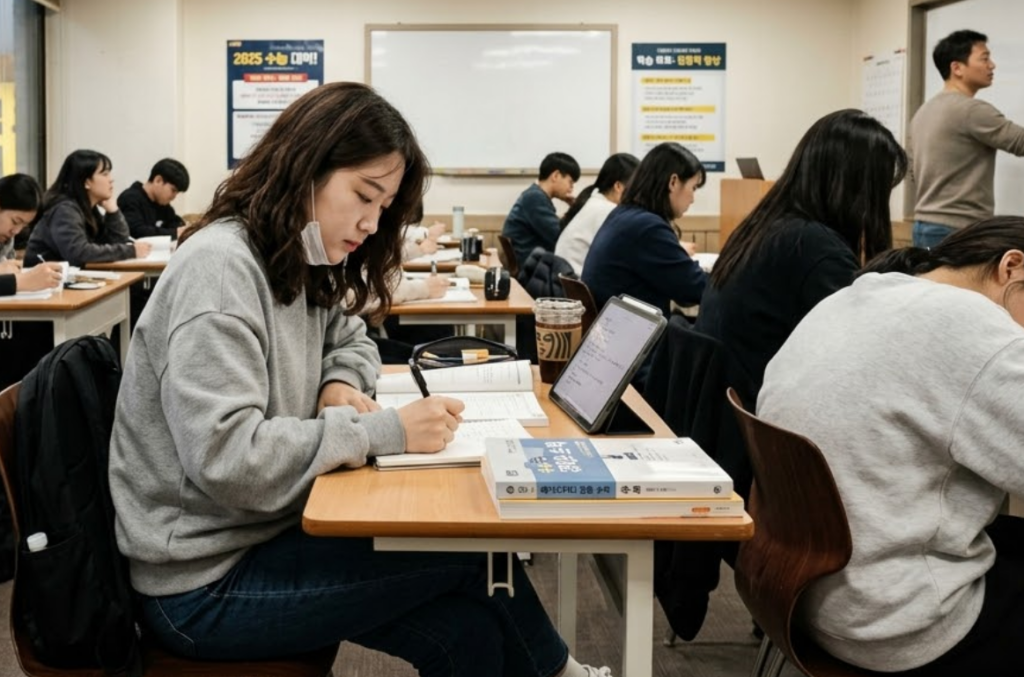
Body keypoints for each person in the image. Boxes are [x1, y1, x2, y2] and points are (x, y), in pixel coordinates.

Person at [107, 82, 612, 677]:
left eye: (384, 207)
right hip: (201, 583)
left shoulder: (296, 252)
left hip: (264, 533)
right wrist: (383, 434)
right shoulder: (222, 272)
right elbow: (227, 460)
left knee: (466, 631)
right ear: (305, 167)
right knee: (475, 554)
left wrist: (336, 384)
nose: (372, 224)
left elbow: (350, 336)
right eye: (364, 197)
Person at [758, 216, 1024, 676]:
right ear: (1012, 267)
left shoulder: (859, 295)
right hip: (897, 621)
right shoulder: (976, 328)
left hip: (797, 588)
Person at [696, 108, 906, 406]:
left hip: (726, 412)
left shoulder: (766, 226)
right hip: (761, 424)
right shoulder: (815, 248)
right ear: (859, 187)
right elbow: (862, 356)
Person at [908, 29, 1024, 248]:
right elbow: (1020, 142)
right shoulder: (971, 110)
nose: (992, 65)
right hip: (959, 230)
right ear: (957, 68)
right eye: (984, 58)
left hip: (923, 226)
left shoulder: (922, 112)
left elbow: (913, 172)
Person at [582, 142, 707, 319]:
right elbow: (695, 288)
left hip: (613, 334)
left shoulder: (624, 214)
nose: (693, 199)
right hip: (635, 340)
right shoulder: (647, 227)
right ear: (673, 182)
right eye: (693, 188)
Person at [25, 150, 152, 266]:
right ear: (86, 182)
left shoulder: (87, 208)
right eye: (105, 174)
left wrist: (113, 211)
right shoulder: (65, 210)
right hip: (46, 284)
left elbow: (118, 242)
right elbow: (79, 253)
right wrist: (130, 251)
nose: (111, 179)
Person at [555, 152, 639, 276]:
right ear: (618, 186)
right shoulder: (608, 211)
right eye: (635, 187)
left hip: (565, 279)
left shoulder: (595, 201)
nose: (637, 194)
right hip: (576, 283)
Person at [501, 152, 580, 266]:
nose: (571, 188)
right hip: (532, 270)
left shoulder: (534, 195)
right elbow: (560, 237)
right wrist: (576, 209)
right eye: (570, 182)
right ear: (556, 175)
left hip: (531, 264)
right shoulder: (535, 198)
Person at [0, 173, 64, 296]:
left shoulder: (6, 238)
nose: (16, 231)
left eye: (23, 226)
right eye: (15, 221)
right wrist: (20, 281)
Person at [117, 157, 191, 239]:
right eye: (173, 190)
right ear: (158, 180)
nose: (174, 197)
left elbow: (174, 222)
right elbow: (136, 231)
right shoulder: (130, 198)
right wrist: (174, 233)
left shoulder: (163, 205)